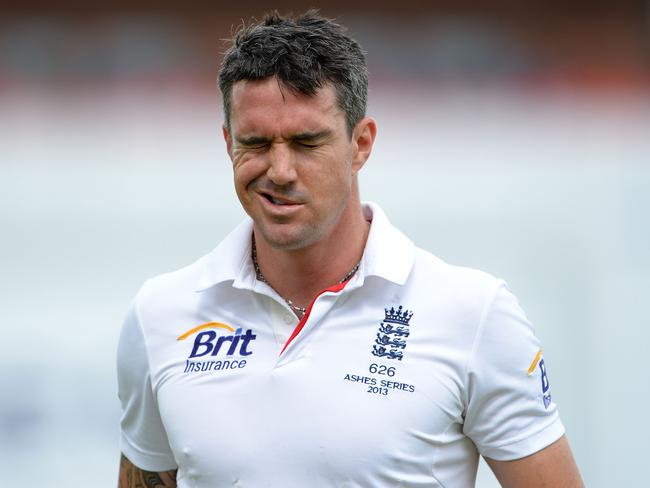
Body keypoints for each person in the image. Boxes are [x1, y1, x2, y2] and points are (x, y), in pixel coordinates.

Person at [117, 10, 584, 488]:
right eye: (255, 143)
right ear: (227, 142)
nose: (279, 170)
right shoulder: (160, 314)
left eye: (306, 143)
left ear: (361, 144)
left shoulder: (474, 313)